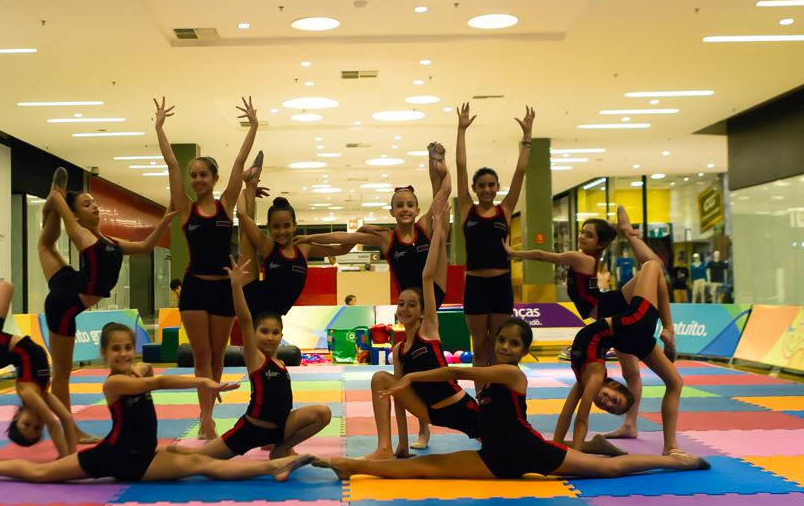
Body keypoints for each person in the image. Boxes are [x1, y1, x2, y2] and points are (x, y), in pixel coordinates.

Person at [312, 319, 708, 480]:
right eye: (501, 340)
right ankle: (351, 465)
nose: (504, 347)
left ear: (521, 351)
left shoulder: (510, 374)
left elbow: (455, 372)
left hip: (528, 450)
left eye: (513, 343)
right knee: (427, 467)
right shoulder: (496, 375)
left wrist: (412, 375)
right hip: (494, 457)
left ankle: (675, 460)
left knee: (604, 471)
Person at [0, 323, 316, 484]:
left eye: (126, 348)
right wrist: (202, 380)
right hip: (116, 458)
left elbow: (147, 369)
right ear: (103, 353)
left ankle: (276, 465)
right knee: (41, 476)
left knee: (200, 461)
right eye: (114, 350)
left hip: (145, 455)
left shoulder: (133, 369)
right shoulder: (115, 382)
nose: (122, 354)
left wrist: (148, 366)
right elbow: (158, 380)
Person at [295, 142, 452, 450]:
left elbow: (443, 191)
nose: (406, 209)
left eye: (410, 204)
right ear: (392, 211)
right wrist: (310, 236)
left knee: (424, 360)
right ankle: (416, 431)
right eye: (400, 205)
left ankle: (424, 429)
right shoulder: (385, 237)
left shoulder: (424, 227)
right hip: (408, 302)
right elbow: (345, 237)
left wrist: (439, 160)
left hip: (432, 295)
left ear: (417, 209)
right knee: (409, 363)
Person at [505, 205, 678, 439]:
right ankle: (630, 424)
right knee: (631, 370)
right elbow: (603, 237)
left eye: (589, 234)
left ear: (600, 244)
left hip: (605, 306)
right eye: (582, 232)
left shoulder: (579, 258)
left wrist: (514, 253)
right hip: (610, 305)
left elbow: (543, 256)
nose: (582, 237)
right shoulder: (593, 256)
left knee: (654, 265)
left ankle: (668, 328)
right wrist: (617, 229)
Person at [40, 168, 177, 443]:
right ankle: (71, 430)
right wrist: (55, 202)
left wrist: (165, 220)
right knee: (63, 373)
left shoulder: (111, 242)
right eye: (86, 204)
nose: (95, 207)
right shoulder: (82, 236)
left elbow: (147, 246)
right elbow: (69, 223)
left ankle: (55, 199)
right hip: (64, 304)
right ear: (76, 214)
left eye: (95, 202)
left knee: (45, 246)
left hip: (71, 283)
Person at [152, 96, 261, 441]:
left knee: (218, 357)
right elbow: (170, 164)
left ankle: (209, 413)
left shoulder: (226, 203)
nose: (197, 179)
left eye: (203, 175)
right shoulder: (184, 209)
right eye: (193, 175)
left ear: (214, 178)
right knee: (202, 356)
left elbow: (240, 160)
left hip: (224, 288)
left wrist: (253, 126)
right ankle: (205, 418)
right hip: (195, 288)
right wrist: (159, 128)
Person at [168, 256, 331, 460]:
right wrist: (236, 285)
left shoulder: (280, 362)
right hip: (252, 429)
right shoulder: (255, 357)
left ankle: (280, 447)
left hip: (279, 430)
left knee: (323, 413)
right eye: (263, 331)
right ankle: (165, 452)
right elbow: (245, 319)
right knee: (200, 457)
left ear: (282, 335)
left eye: (274, 332)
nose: (269, 337)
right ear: (254, 334)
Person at [361, 204, 482, 460]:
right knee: (381, 380)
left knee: (505, 444)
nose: (404, 309)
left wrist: (439, 233)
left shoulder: (429, 329)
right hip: (430, 411)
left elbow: (428, 276)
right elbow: (398, 398)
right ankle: (386, 447)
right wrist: (402, 444)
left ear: (423, 311)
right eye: (401, 304)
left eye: (411, 305)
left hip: (458, 407)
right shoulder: (398, 350)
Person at [556, 258, 689, 455]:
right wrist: (567, 453)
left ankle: (671, 447)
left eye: (610, 406)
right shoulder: (593, 377)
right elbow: (576, 418)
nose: (606, 404)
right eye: (613, 403)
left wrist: (563, 450)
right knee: (652, 266)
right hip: (632, 328)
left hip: (626, 333)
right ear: (613, 385)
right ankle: (669, 328)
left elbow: (572, 417)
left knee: (675, 382)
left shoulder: (584, 381)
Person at [0, 280, 76, 462]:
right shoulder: (42, 395)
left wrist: (64, 458)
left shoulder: (27, 391)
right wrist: (71, 457)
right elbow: (65, 418)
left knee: (5, 286)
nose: (35, 423)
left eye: (26, 424)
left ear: (17, 415)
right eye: (37, 429)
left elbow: (52, 423)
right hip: (3, 355)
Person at [456, 104, 535, 368]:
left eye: (491, 185)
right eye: (482, 185)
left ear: (497, 187)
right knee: (479, 346)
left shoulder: (506, 209)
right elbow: (461, 166)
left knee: (499, 347)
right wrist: (461, 130)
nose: (487, 189)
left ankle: (501, 396)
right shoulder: (468, 209)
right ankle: (482, 399)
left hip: (501, 286)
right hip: (475, 287)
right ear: (474, 189)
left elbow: (520, 172)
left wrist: (527, 138)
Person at [235, 180, 354, 317]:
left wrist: (310, 237)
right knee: (245, 237)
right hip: (254, 301)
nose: (281, 231)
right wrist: (245, 192)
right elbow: (242, 215)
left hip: (274, 314)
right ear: (268, 227)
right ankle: (249, 182)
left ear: (294, 225)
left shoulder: (304, 249)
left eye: (286, 225)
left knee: (270, 336)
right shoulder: (269, 247)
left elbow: (342, 249)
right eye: (276, 226)